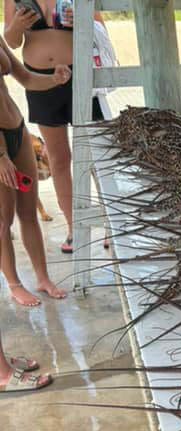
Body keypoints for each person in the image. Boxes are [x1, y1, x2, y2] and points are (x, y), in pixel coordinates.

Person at [4, 0, 106, 254]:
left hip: (81, 75)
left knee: (97, 155)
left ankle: (110, 227)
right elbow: (12, 41)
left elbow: (100, 28)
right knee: (59, 158)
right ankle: (75, 228)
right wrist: (17, 25)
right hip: (39, 81)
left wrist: (82, 23)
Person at [0, 33, 68, 313]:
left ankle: (42, 277)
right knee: (3, 220)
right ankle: (14, 283)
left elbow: (25, 77)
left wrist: (54, 79)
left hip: (16, 128)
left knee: (28, 211)